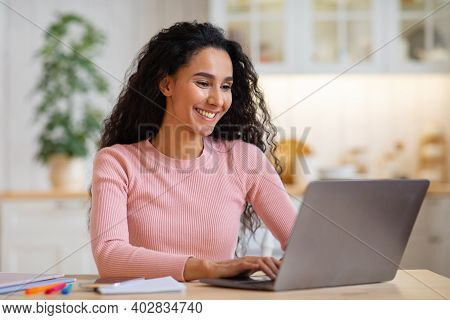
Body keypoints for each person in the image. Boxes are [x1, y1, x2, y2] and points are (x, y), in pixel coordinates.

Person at [89, 21, 297, 282]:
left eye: (225, 86)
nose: (217, 100)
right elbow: (110, 257)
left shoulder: (245, 160)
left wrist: (288, 270)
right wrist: (208, 269)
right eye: (203, 83)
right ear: (167, 85)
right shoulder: (118, 162)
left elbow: (305, 244)